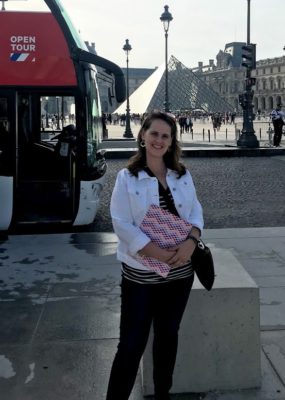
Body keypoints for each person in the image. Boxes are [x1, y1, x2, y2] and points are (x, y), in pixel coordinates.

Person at [106, 111, 204, 400]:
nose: (159, 140)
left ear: (172, 141)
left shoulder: (182, 174)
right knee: (130, 346)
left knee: (167, 339)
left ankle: (163, 394)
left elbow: (196, 212)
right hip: (140, 275)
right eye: (154, 134)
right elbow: (120, 223)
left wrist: (191, 241)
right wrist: (158, 253)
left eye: (165, 135)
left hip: (180, 274)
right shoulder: (127, 177)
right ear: (143, 136)